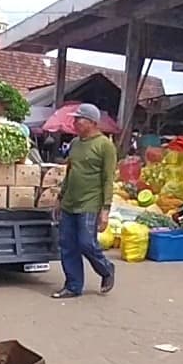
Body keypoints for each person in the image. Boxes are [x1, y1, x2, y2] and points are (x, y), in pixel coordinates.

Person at [52, 103, 117, 299]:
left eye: (78, 119)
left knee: (87, 243)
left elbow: (108, 179)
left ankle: (106, 269)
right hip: (70, 201)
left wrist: (105, 209)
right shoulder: (75, 144)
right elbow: (70, 172)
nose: (75, 122)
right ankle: (73, 285)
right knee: (67, 244)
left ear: (91, 122)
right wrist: (60, 198)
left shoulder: (105, 146)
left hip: (90, 202)